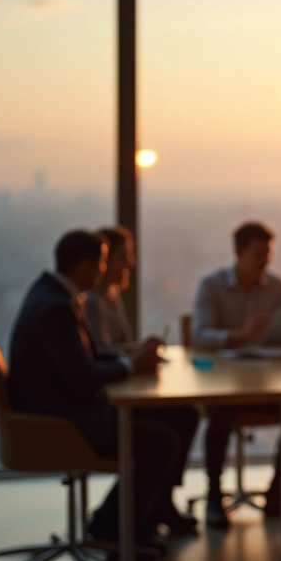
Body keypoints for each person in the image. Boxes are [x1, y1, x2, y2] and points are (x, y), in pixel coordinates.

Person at [6, 231, 199, 561]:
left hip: (60, 409)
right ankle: (112, 527)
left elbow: (84, 359)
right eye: (102, 263)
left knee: (182, 414)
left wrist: (130, 359)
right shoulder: (57, 308)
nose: (104, 270)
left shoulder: (52, 294)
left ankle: (151, 512)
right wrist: (130, 364)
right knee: (162, 443)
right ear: (85, 265)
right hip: (61, 422)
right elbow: (82, 379)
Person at [190, 221, 281, 529]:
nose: (265, 262)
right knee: (220, 413)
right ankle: (213, 494)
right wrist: (241, 334)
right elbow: (199, 336)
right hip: (224, 387)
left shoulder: (276, 286)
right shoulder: (212, 285)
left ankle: (278, 493)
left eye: (268, 255)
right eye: (258, 255)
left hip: (266, 385)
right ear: (238, 253)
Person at [82, 225, 200, 536]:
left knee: (186, 414)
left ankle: (159, 502)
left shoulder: (111, 297)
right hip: (104, 403)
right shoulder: (93, 302)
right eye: (125, 256)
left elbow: (115, 348)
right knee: (170, 431)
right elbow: (99, 354)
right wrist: (135, 354)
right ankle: (124, 516)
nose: (131, 263)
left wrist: (139, 349)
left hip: (114, 391)